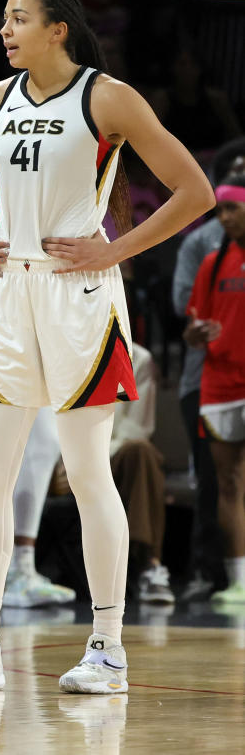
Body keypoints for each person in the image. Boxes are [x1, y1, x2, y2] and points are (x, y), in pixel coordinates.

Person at [0, 0, 213, 695]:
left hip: (79, 292)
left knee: (87, 473)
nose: (5, 30)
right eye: (3, 19)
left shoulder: (107, 97)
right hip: (8, 293)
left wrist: (113, 250)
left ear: (58, 29)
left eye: (18, 18)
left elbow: (194, 190)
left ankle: (109, 647)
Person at [185, 174, 245, 604]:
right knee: (228, 483)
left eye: (232, 209)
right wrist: (198, 333)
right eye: (220, 210)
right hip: (219, 384)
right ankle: (238, 580)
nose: (224, 218)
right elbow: (191, 329)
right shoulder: (211, 263)